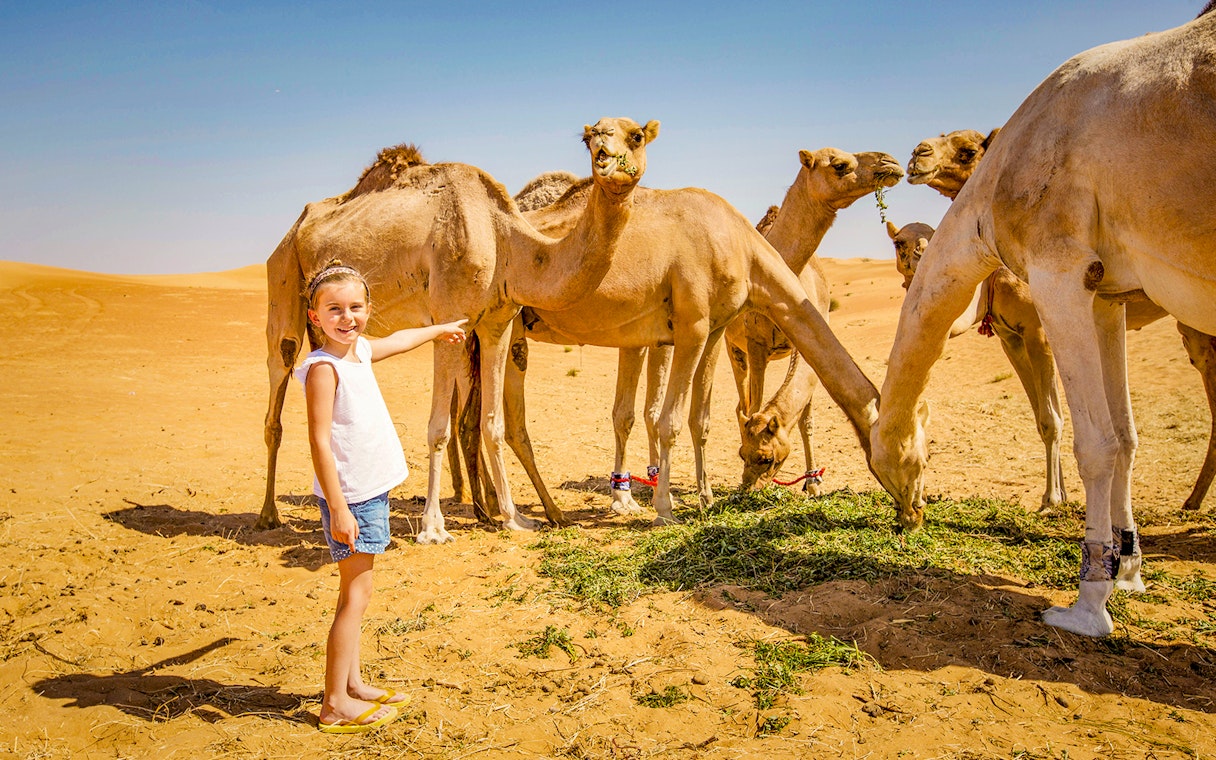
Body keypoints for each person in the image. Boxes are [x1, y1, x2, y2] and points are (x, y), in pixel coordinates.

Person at [296, 260, 467, 734]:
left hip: (370, 492)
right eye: (334, 309)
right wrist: (337, 509)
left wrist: (439, 330)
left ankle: (351, 684)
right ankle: (334, 703)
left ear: (369, 309)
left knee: (357, 594)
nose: (346, 317)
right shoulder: (323, 369)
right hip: (351, 500)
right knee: (356, 595)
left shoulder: (359, 353)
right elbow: (319, 442)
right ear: (314, 316)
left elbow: (398, 340)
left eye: (355, 307)